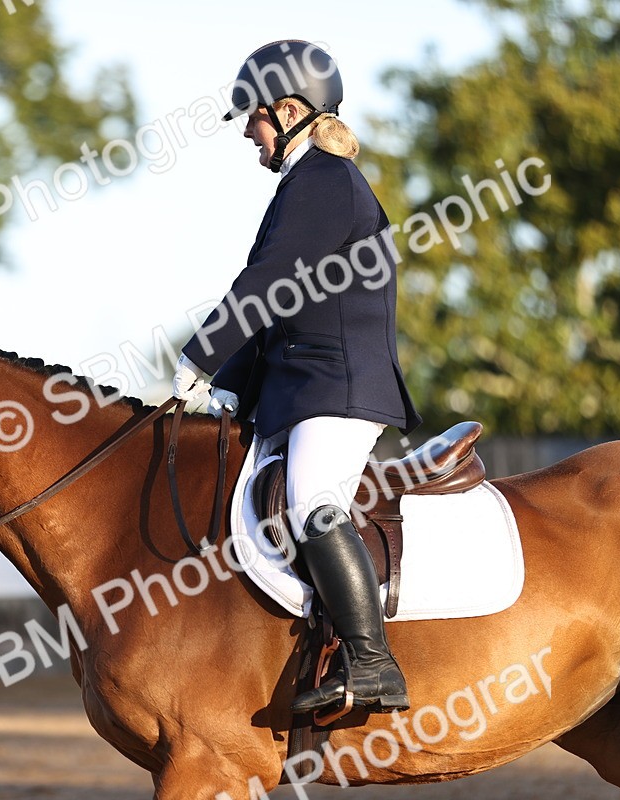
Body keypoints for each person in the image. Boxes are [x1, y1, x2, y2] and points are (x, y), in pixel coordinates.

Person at [172, 40, 423, 715]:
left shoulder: (324, 182)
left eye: (251, 120)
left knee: (312, 500)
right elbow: (281, 309)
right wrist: (226, 383)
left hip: (337, 387)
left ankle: (373, 664)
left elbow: (268, 284)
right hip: (304, 388)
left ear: (287, 110)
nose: (249, 137)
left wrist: (197, 356)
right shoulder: (306, 183)